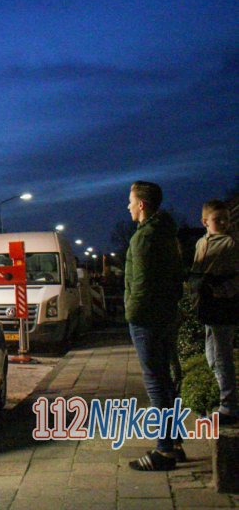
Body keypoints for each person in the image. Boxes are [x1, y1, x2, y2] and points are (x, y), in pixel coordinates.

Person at [124, 181, 184, 471]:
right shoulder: (167, 233)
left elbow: (142, 283)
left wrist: (132, 314)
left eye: (131, 201)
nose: (128, 206)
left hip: (147, 318)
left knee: (156, 383)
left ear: (142, 205)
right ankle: (174, 442)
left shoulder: (144, 238)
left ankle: (164, 451)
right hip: (165, 314)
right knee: (166, 380)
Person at [189, 200, 238, 424]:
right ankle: (222, 396)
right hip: (206, 303)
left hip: (222, 305)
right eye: (217, 219)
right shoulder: (201, 243)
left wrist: (222, 290)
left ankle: (228, 405)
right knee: (211, 353)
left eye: (225, 219)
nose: (223, 223)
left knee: (221, 353)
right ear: (204, 221)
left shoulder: (230, 244)